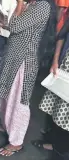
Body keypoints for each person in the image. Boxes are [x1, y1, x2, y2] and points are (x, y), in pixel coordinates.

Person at [0, 0, 56, 157]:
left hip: (24, 61)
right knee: (4, 94)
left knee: (18, 100)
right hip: (13, 55)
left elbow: (14, 26)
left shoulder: (41, 6)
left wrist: (18, 3)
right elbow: (13, 25)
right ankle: (6, 126)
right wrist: (20, 4)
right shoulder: (32, 3)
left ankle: (16, 141)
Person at [33, 18, 69, 160]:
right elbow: (61, 37)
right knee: (57, 111)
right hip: (64, 70)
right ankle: (54, 144)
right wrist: (55, 61)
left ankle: (60, 150)